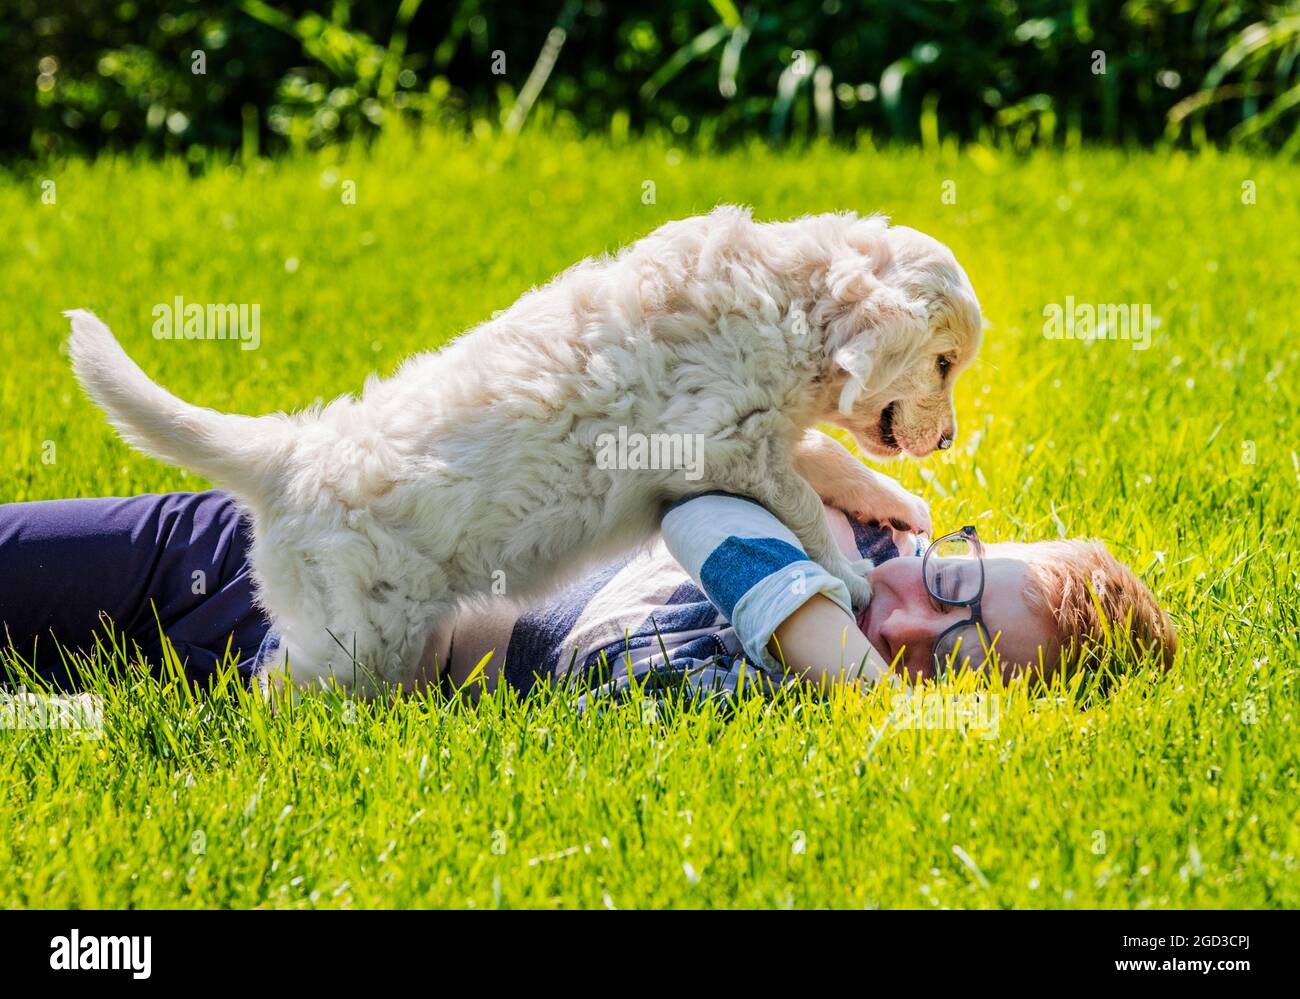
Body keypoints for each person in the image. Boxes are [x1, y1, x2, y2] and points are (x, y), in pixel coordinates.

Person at [0, 489, 1175, 701]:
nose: (908, 619)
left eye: (954, 659)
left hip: (268, 689)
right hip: (241, 557)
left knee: (49, 721)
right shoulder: (825, 522)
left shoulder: (772, 715)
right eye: (952, 579)